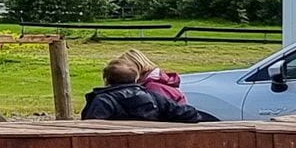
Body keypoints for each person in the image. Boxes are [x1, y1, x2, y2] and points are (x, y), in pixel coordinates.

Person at [82, 50, 217, 122]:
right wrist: (214, 122)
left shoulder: (103, 101)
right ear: (135, 78)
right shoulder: (154, 97)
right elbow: (186, 113)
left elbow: (91, 128)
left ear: (106, 80)